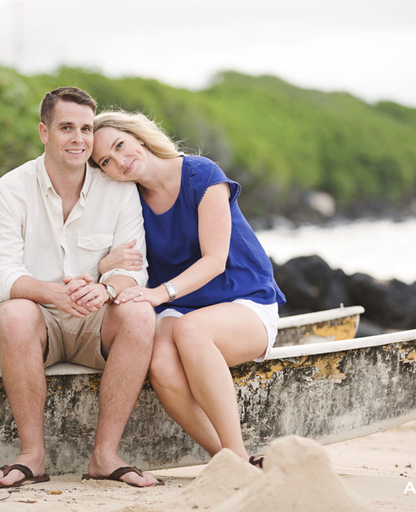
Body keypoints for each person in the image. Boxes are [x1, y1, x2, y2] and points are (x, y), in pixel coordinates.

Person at [0, 87, 160, 488]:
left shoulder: (118, 190)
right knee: (13, 312)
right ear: (45, 132)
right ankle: (32, 457)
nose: (79, 139)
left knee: (138, 311)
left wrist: (107, 290)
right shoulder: (10, 190)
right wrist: (52, 292)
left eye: (85, 128)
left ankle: (105, 456)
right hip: (36, 322)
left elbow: (134, 269)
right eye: (66, 128)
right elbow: (0, 273)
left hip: (93, 321)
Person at [90, 110, 286, 467]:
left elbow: (215, 260)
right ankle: (228, 461)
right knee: (161, 362)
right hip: (181, 306)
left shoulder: (202, 174)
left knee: (191, 331)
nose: (120, 160)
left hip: (244, 298)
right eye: (106, 160)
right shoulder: (128, 200)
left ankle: (238, 455)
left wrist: (157, 295)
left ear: (138, 137)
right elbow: (109, 255)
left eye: (120, 145)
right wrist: (105, 266)